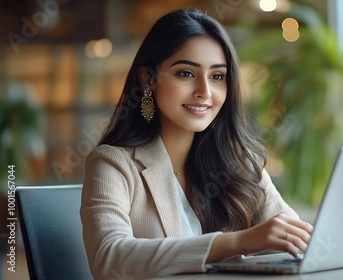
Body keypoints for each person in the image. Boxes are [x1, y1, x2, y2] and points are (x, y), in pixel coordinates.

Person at [80, 7, 313, 279]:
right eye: (186, 74)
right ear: (148, 79)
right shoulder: (113, 163)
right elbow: (109, 258)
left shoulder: (240, 162)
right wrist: (237, 242)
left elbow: (295, 239)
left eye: (217, 77)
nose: (204, 92)